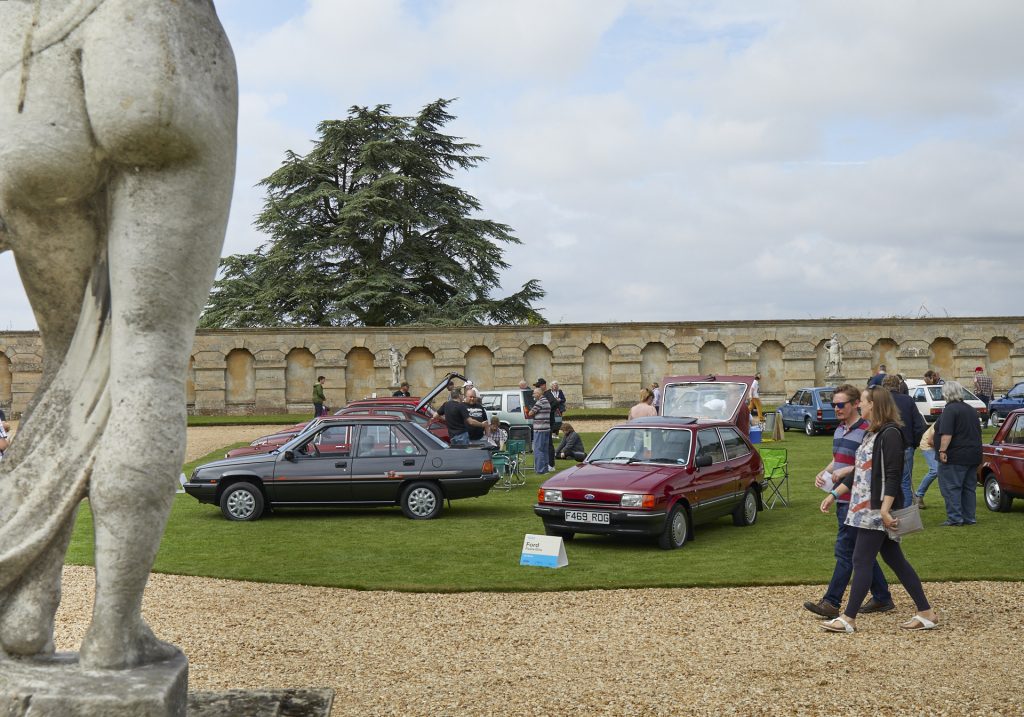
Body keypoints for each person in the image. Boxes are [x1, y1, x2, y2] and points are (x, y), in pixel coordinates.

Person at [819, 386, 939, 633]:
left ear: (874, 404)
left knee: (861, 559)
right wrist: (834, 494)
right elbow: (859, 472)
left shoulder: (891, 434)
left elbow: (894, 475)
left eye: (862, 401)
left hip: (876, 510)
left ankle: (848, 618)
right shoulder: (872, 433)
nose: (859, 405)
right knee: (895, 560)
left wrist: (885, 510)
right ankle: (926, 612)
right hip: (866, 508)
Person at [804, 384, 893, 619]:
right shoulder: (840, 430)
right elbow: (838, 459)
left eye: (841, 404)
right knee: (860, 553)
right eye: (834, 405)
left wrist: (845, 472)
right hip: (842, 497)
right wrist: (825, 471)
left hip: (857, 500)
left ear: (855, 404)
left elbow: (871, 464)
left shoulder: (867, 430)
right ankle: (883, 596)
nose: (836, 408)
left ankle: (832, 601)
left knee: (845, 551)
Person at [935, 381, 983, 526]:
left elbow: (947, 434)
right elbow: (978, 432)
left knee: (952, 487)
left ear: (946, 394)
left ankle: (955, 518)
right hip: (973, 454)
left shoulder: (950, 410)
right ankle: (969, 517)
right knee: (969, 488)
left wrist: (942, 450)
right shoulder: (970, 409)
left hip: (956, 455)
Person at [882, 374, 926, 508]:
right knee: (905, 483)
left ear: (884, 387)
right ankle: (904, 516)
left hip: (885, 446)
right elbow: (919, 426)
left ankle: (887, 511)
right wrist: (914, 443)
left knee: (885, 481)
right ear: (899, 385)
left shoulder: (881, 402)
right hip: (906, 445)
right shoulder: (908, 400)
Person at [912, 423, 938, 509]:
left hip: (937, 445)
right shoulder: (942, 422)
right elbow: (930, 441)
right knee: (935, 470)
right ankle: (918, 495)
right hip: (928, 445)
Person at [528, 387, 552, 474]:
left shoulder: (539, 402)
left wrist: (531, 410)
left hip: (539, 429)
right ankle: (545, 469)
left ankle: (540, 470)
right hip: (546, 429)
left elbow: (530, 413)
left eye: (534, 393)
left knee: (538, 450)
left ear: (538, 394)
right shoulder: (546, 401)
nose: (533, 395)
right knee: (545, 450)